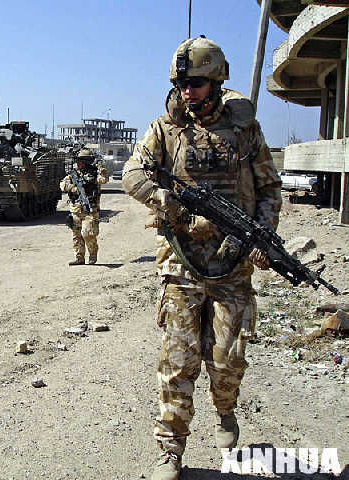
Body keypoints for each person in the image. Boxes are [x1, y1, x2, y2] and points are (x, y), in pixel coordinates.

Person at [122, 36, 282, 480]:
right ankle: (170, 450)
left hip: (232, 266)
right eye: (180, 84)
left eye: (195, 83)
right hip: (182, 265)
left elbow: (269, 188)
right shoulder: (165, 130)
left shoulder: (245, 131)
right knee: (178, 361)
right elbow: (131, 173)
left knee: (228, 358)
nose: (186, 91)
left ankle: (225, 410)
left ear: (215, 81)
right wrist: (162, 199)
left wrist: (263, 235)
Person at [60, 148, 108, 265]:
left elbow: (103, 180)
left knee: (87, 233)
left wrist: (102, 170)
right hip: (76, 210)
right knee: (76, 235)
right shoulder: (73, 174)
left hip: (90, 210)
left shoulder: (94, 173)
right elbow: (62, 185)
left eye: (81, 161)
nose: (78, 164)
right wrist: (72, 188)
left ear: (86, 162)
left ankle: (92, 254)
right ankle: (79, 258)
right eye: (78, 161)